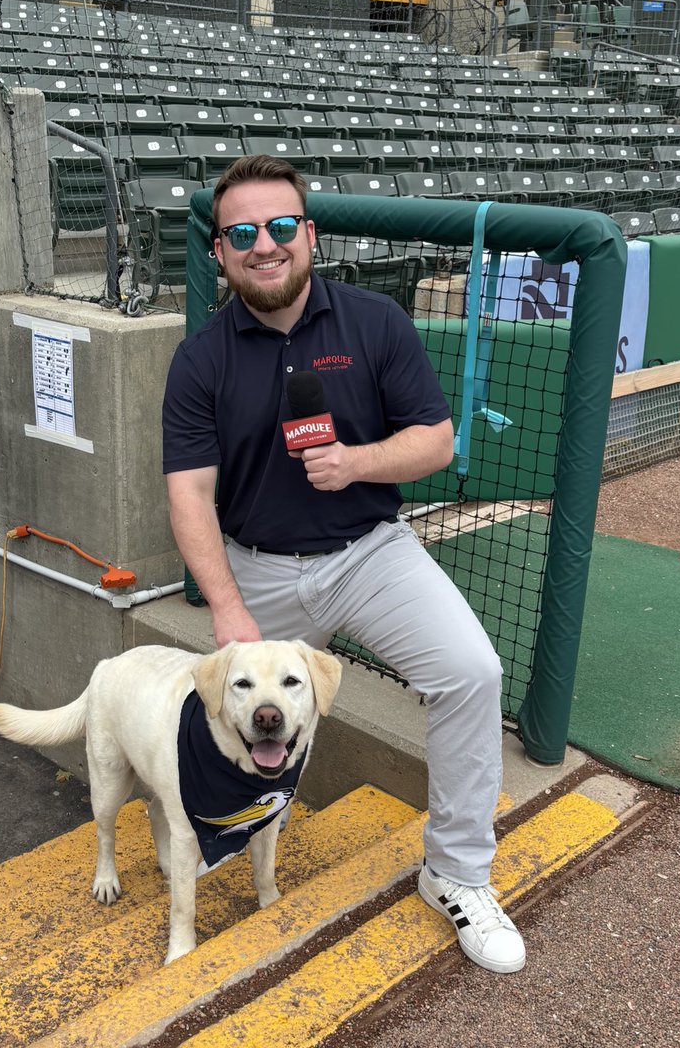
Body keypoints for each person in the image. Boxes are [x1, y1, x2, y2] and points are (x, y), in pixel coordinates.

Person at [162, 154, 526, 974]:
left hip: (371, 553)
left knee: (471, 671)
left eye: (282, 227)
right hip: (256, 566)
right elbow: (188, 494)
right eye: (244, 233)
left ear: (309, 236)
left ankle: (458, 873)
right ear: (220, 252)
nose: (267, 245)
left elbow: (437, 441)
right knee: (219, 710)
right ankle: (219, 843)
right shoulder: (201, 359)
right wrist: (225, 605)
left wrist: (354, 463)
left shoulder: (374, 321)